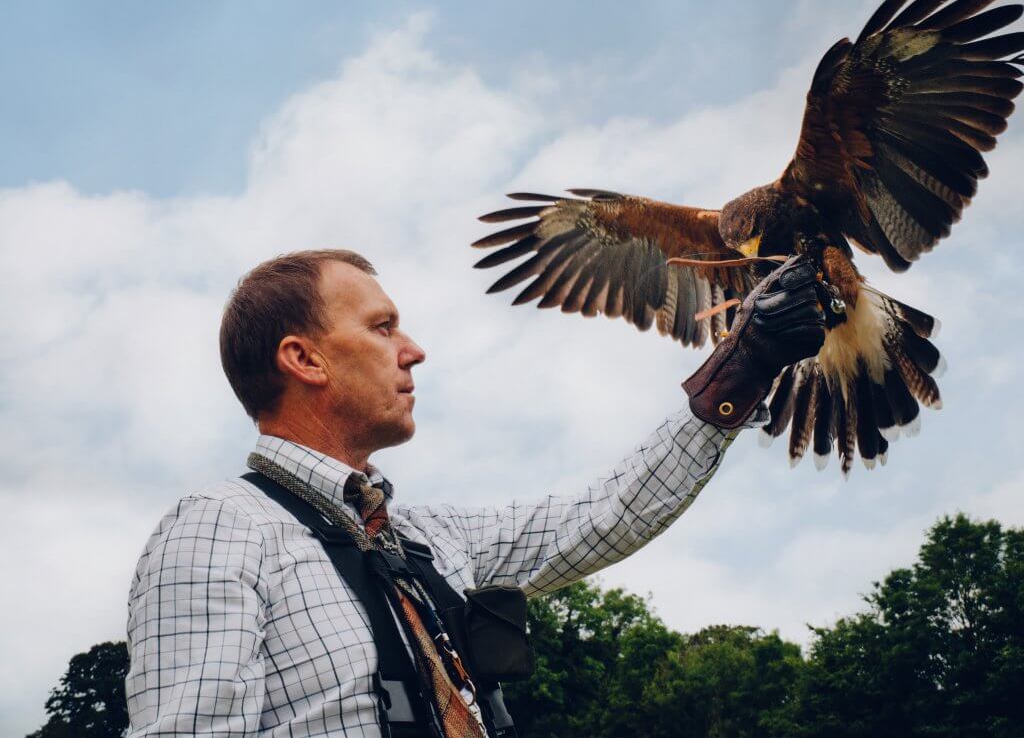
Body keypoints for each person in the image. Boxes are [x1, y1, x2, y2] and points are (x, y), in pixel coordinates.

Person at [125, 248, 825, 737]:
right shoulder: (220, 528)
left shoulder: (428, 540)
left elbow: (602, 515)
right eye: (382, 326)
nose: (413, 349)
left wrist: (743, 365)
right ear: (303, 358)